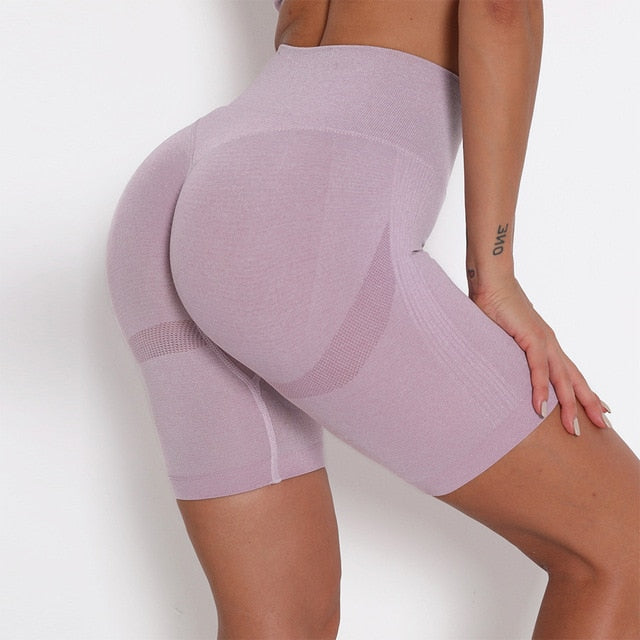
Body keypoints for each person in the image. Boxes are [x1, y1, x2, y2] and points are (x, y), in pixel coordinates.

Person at [105, 0, 639, 637]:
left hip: (190, 183)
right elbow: (500, 10)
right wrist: (494, 273)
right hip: (310, 195)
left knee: (283, 621)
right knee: (620, 544)